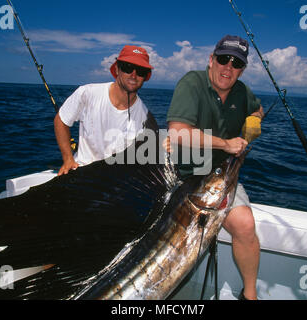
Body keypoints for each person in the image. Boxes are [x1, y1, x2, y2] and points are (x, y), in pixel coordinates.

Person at [166, 35, 264, 300]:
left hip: (220, 179)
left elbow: (258, 110)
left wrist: (253, 122)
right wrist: (226, 144)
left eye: (236, 63)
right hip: (181, 178)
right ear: (211, 60)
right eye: (223, 59)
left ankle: (250, 295)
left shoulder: (242, 91)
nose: (228, 68)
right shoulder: (192, 83)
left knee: (244, 224)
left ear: (242, 69)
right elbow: (177, 134)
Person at [54, 45, 154, 175]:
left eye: (140, 71)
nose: (133, 75)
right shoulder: (87, 93)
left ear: (145, 77)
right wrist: (68, 159)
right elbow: (61, 120)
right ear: (117, 69)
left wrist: (164, 145)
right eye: (128, 68)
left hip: (116, 181)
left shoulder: (145, 116)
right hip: (81, 172)